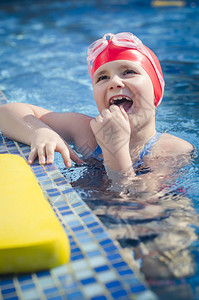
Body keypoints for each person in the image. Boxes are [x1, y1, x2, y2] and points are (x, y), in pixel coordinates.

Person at [0, 32, 193, 192]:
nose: (114, 82)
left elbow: (138, 205)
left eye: (128, 72)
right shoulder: (87, 132)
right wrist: (40, 132)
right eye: (102, 77)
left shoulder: (171, 150)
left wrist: (114, 151)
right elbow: (6, 113)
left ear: (155, 93)